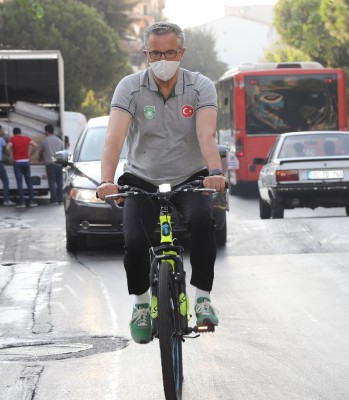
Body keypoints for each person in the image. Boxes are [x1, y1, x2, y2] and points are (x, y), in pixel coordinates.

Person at [96, 21, 227, 344]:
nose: (162, 58)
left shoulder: (200, 86)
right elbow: (114, 137)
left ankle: (203, 298)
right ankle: (141, 306)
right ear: (145, 53)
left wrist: (215, 171)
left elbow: (205, 133)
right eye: (155, 53)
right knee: (135, 241)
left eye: (170, 52)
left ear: (181, 52)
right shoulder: (130, 87)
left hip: (190, 175)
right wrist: (106, 180)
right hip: (142, 177)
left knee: (202, 219)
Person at [6, 127, 39, 208]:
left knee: (19, 183)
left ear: (14, 133)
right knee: (29, 182)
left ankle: (22, 202)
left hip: (17, 162)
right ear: (20, 132)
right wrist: (30, 154)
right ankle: (32, 201)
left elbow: (7, 148)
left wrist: (10, 156)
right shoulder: (26, 138)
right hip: (26, 162)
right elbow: (36, 146)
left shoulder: (12, 139)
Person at [41, 124, 65, 205]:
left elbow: (41, 151)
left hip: (50, 164)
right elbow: (63, 152)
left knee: (52, 182)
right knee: (60, 182)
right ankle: (61, 200)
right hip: (59, 164)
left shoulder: (45, 141)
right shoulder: (59, 141)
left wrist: (40, 158)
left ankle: (54, 199)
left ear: (47, 131)